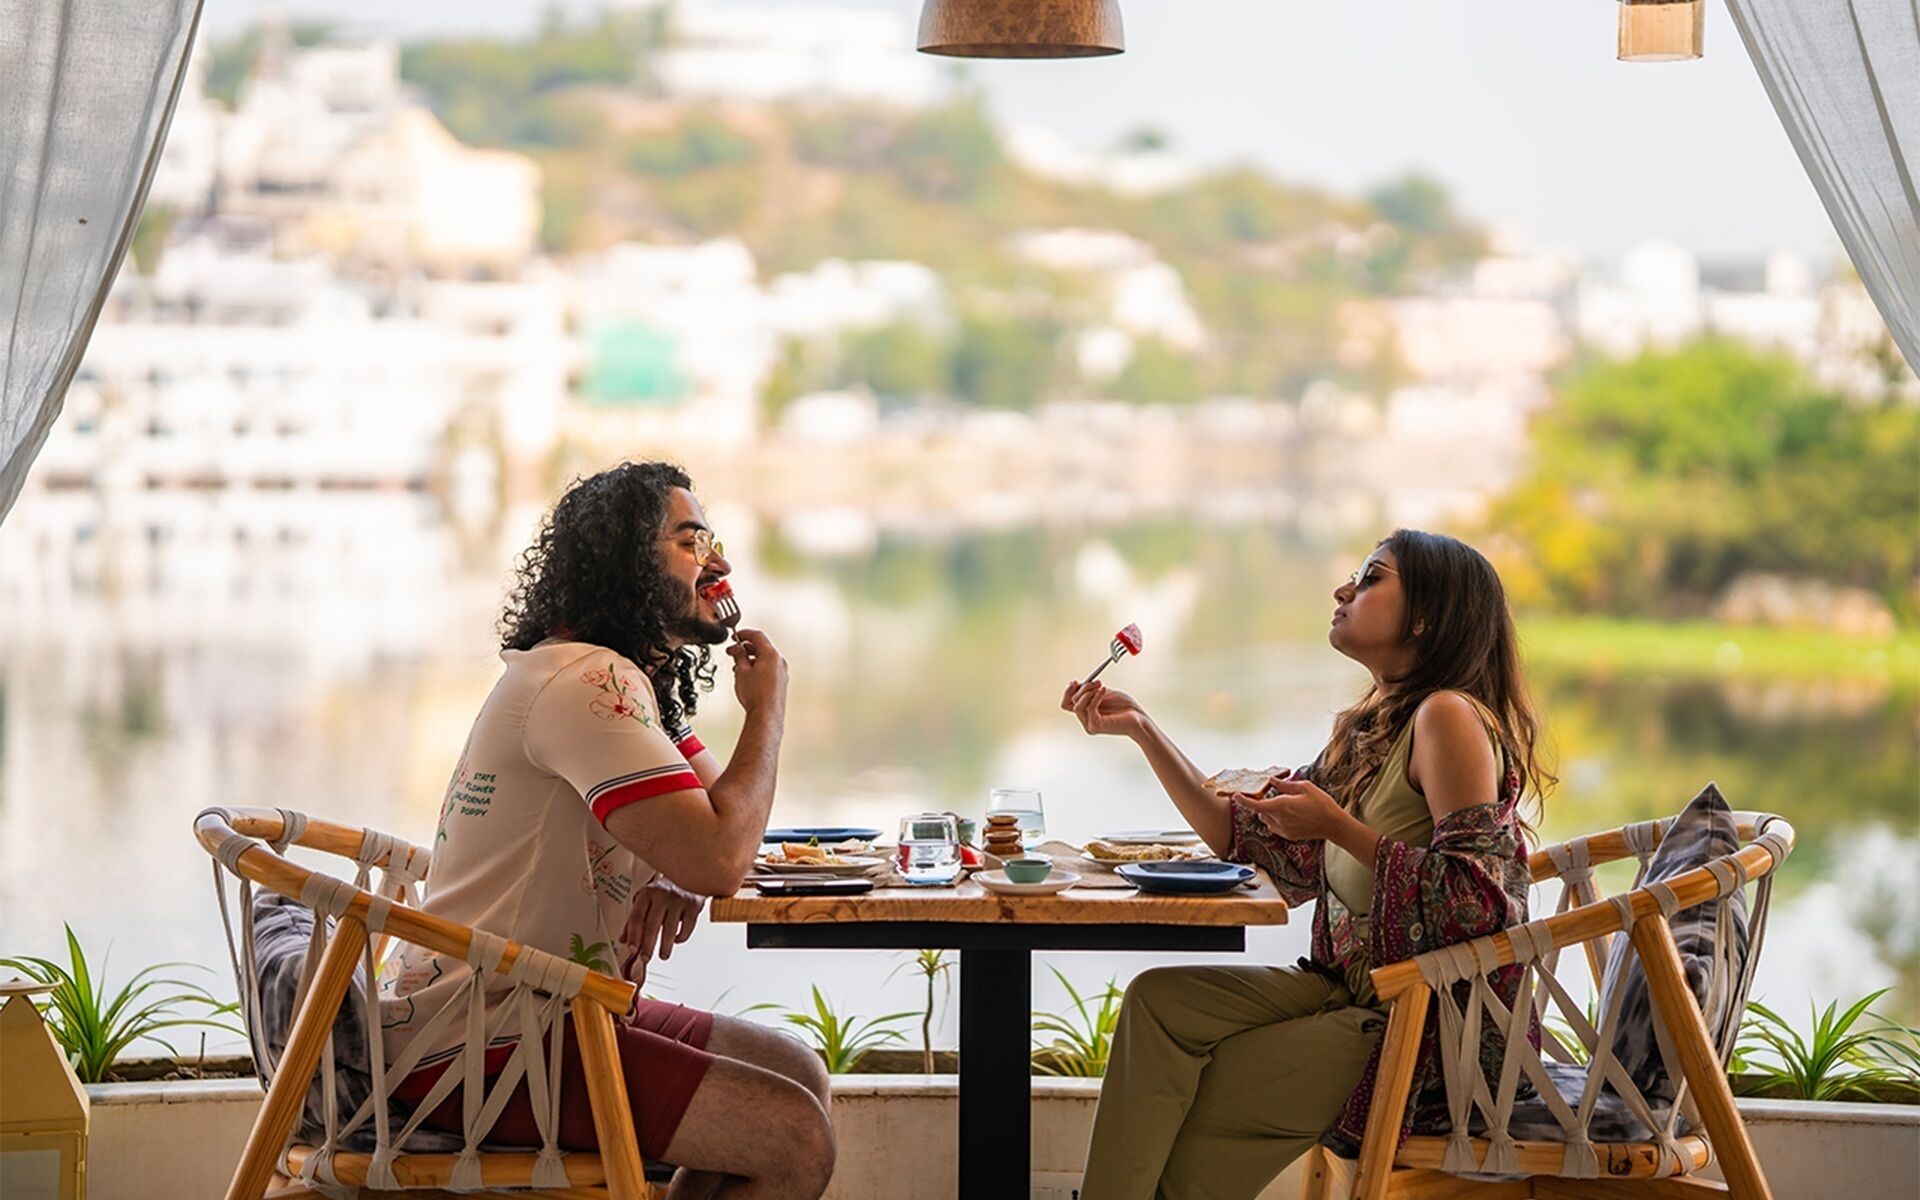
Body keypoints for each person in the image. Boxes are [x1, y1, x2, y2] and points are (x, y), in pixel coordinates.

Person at [380, 461, 833, 1200]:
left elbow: (723, 828)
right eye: (691, 543)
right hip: (482, 1042)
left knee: (800, 1073)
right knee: (792, 1135)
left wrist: (672, 869)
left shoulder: (624, 684)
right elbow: (725, 857)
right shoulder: (589, 684)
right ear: (628, 563)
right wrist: (767, 710)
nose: (717, 563)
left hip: (544, 1011)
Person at [1060, 529, 1552, 1200]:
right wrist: (1142, 729)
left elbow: (1482, 901)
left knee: (1219, 1088)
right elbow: (1250, 843)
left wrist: (1340, 828)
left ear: (1428, 616)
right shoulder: (1370, 725)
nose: (1342, 589)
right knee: (1159, 1002)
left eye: (1371, 578)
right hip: (1346, 988)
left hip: (1422, 1026)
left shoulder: (1448, 719)